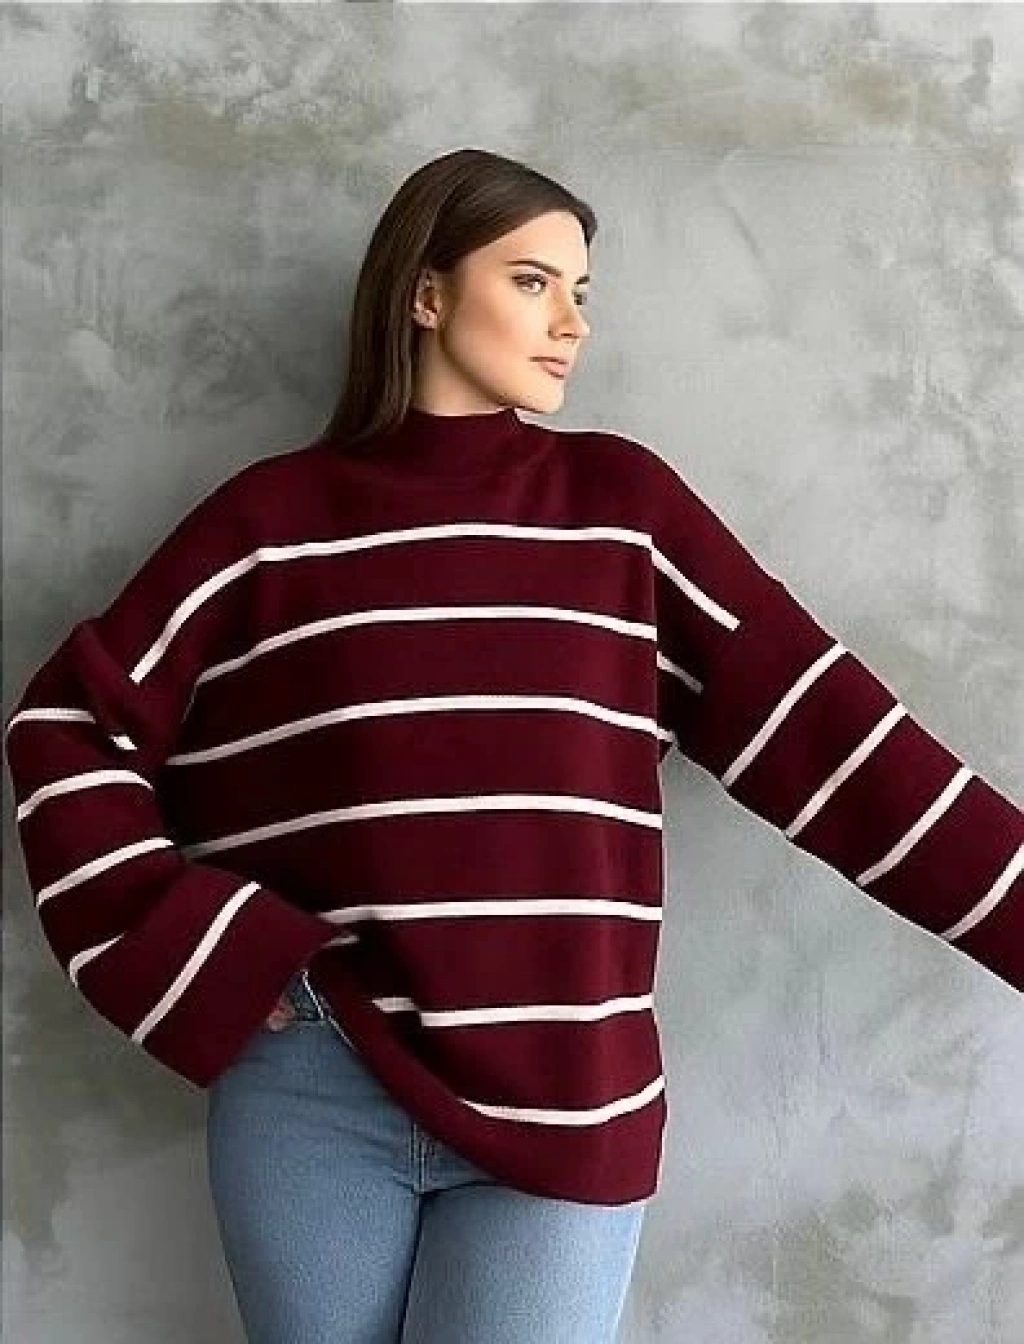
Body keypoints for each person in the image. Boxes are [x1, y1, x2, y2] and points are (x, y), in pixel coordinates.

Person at [4, 147, 1022, 1344]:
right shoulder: (268, 526)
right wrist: (202, 943)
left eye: (580, 292)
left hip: (567, 1088)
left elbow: (835, 739)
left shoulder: (621, 514)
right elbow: (68, 728)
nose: (569, 323)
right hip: (317, 1082)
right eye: (532, 282)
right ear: (425, 293)